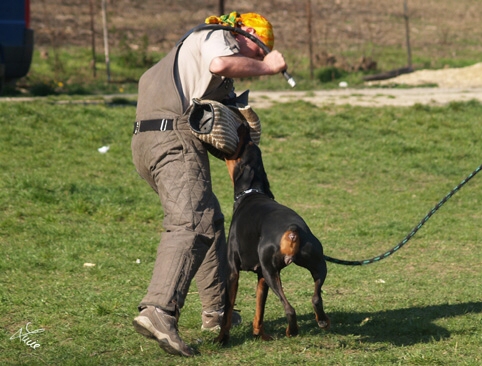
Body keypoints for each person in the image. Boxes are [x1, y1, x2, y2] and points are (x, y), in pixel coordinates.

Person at [131, 11, 287, 357]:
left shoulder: (188, 52)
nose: (255, 60)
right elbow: (220, 63)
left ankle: (218, 312)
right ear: (246, 33)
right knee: (192, 222)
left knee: (212, 222)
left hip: (145, 140)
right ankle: (159, 309)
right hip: (172, 138)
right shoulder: (218, 35)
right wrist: (270, 67)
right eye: (257, 52)